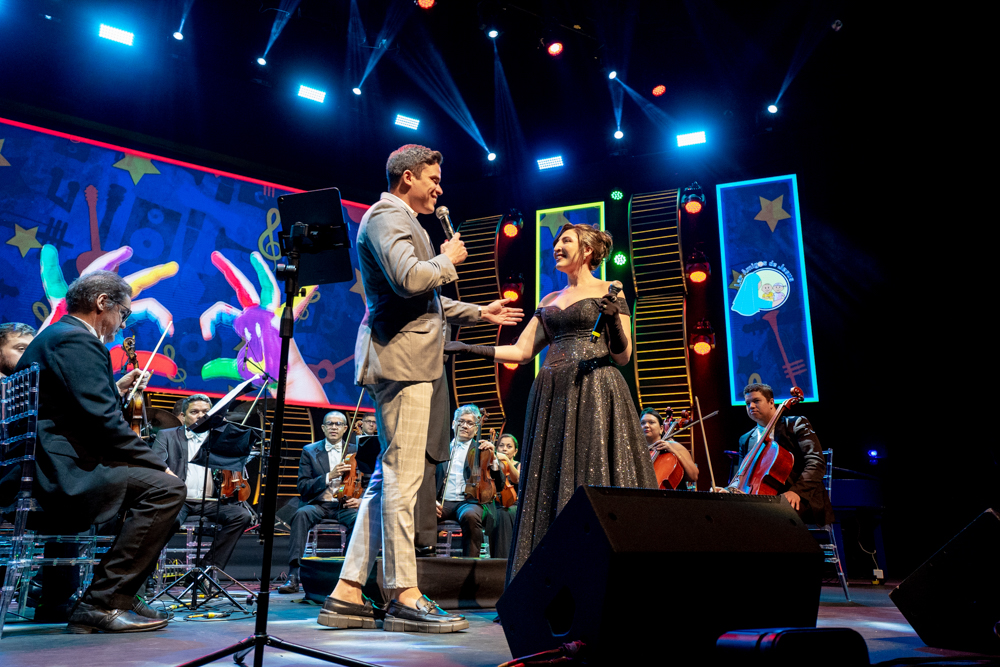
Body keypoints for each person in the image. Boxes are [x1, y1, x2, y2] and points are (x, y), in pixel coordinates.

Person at [317, 144, 522, 633]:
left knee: (387, 480)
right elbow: (410, 280)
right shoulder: (386, 216)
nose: (439, 188)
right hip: (403, 362)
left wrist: (480, 312)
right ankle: (403, 592)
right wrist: (447, 258)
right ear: (407, 176)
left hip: (410, 358)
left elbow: (425, 301)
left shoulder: (403, 219)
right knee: (403, 481)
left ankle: (346, 593)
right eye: (433, 178)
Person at [446, 223, 657, 581]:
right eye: (556, 241)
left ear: (587, 250)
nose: (557, 246)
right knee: (551, 481)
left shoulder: (610, 290)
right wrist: (471, 348)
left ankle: (596, 570)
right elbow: (521, 351)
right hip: (552, 394)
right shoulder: (549, 300)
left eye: (566, 241)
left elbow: (623, 356)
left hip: (595, 389)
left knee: (591, 469)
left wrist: (613, 323)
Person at [11, 270, 186, 633]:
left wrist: (116, 389)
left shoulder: (60, 336)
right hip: (61, 472)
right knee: (167, 489)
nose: (123, 324)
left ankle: (122, 593)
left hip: (58, 462)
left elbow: (77, 407)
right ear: (102, 303)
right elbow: (103, 423)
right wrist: (159, 464)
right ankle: (101, 603)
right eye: (124, 313)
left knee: (167, 507)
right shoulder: (76, 340)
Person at [151, 394, 253, 571]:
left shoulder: (219, 437)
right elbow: (155, 464)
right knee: (167, 520)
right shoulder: (167, 435)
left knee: (242, 516)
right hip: (180, 500)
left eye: (205, 412)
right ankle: (148, 571)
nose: (200, 416)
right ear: (183, 416)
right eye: (194, 412)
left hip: (209, 502)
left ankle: (205, 570)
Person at [716, 382, 834, 525]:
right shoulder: (746, 439)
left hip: (800, 497)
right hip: (761, 500)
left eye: (756, 401)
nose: (751, 406)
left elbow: (816, 463)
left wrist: (796, 492)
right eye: (747, 403)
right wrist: (729, 491)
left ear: (771, 402)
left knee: (766, 517)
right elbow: (741, 477)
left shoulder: (795, 424)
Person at [278, 411, 365, 594]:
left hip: (344, 506)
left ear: (345, 429)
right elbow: (302, 486)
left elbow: (369, 481)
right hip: (318, 504)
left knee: (360, 520)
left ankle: (345, 574)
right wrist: (329, 476)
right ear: (323, 428)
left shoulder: (356, 450)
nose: (334, 427)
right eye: (330, 424)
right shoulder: (310, 451)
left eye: (338, 424)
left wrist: (360, 500)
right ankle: (294, 575)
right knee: (300, 515)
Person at [434, 405, 506, 557]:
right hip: (443, 502)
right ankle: (424, 559)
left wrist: (493, 458)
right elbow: (427, 479)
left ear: (476, 428)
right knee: (423, 514)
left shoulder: (482, 450)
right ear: (453, 423)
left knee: (470, 516)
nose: (465, 426)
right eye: (461, 421)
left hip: (469, 502)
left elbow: (500, 485)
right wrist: (430, 502)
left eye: (470, 423)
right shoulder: (440, 449)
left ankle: (470, 563)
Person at [641, 407, 698, 488]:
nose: (646, 425)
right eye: (642, 423)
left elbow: (693, 476)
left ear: (661, 429)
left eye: (651, 422)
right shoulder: (639, 452)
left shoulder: (674, 446)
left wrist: (673, 451)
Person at [489, 433, 520, 559]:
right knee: (496, 513)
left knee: (504, 514)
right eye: (501, 446)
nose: (504, 449)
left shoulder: (519, 465)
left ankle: (503, 559)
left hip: (513, 504)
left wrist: (507, 460)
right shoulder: (492, 464)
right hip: (495, 502)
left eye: (509, 446)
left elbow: (517, 479)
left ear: (515, 451)